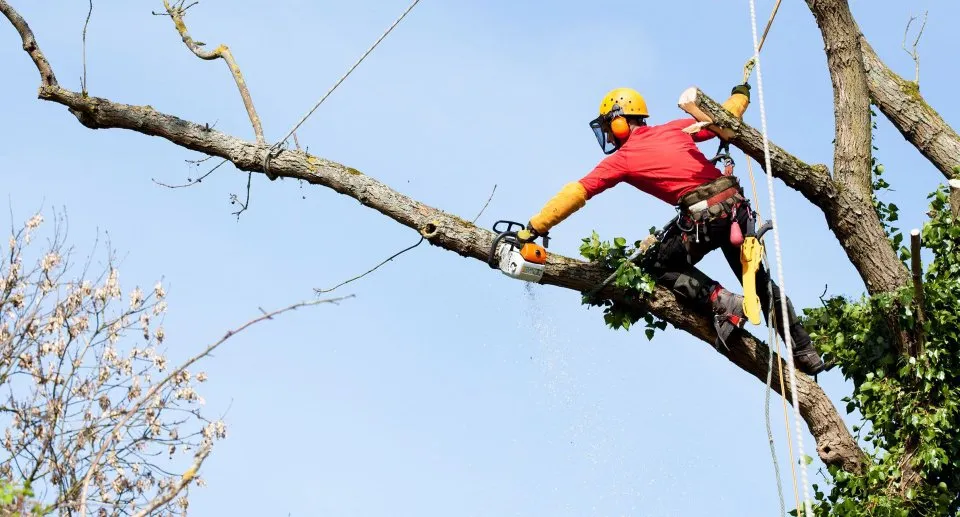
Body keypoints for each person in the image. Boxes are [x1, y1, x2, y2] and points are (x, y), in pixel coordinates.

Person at [516, 85, 825, 375]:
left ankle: (722, 301)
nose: (609, 136)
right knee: (759, 283)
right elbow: (723, 115)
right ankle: (805, 351)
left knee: (659, 266)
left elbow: (577, 192)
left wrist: (534, 227)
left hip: (705, 218)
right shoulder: (676, 128)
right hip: (736, 209)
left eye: (610, 127)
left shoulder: (622, 160)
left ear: (620, 122)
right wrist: (740, 95)